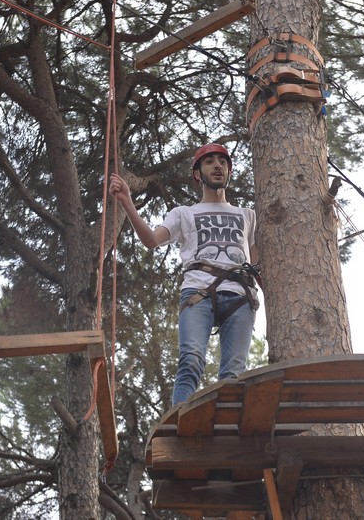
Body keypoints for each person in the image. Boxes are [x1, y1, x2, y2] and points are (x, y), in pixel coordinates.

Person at [109, 143, 260, 406]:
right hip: (198, 294)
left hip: (240, 295)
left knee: (234, 372)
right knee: (191, 359)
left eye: (222, 162)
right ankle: (179, 420)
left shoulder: (247, 215)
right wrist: (127, 202)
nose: (217, 166)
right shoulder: (184, 214)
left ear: (229, 171)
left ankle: (228, 428)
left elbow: (257, 265)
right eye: (210, 162)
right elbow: (151, 240)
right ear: (198, 174)